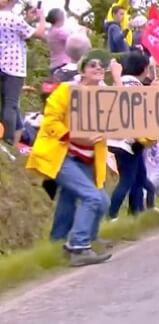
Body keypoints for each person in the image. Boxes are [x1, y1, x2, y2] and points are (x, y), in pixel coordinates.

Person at [25, 49, 121, 266]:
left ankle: (62, 242)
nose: (97, 68)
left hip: (87, 158)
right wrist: (71, 134)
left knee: (88, 201)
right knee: (92, 198)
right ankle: (79, 246)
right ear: (83, 70)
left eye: (101, 65)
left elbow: (128, 108)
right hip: (63, 154)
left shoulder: (105, 95)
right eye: (92, 65)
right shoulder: (67, 90)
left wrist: (117, 77)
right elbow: (50, 120)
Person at [107, 51, 157, 220]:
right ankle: (112, 216)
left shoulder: (121, 83)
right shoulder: (134, 86)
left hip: (116, 139)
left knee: (140, 177)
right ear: (143, 69)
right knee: (127, 181)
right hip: (126, 142)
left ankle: (140, 210)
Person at [0, 0, 46, 146]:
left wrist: (28, 19)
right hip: (13, 67)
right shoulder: (13, 19)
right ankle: (8, 139)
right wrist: (41, 18)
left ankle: (11, 139)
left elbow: (18, 31)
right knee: (11, 104)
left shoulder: (13, 20)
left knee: (5, 103)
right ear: (12, 0)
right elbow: (39, 34)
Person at [44, 8, 71, 73]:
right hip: (63, 64)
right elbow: (75, 40)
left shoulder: (50, 31)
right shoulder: (59, 32)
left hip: (54, 64)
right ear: (60, 18)